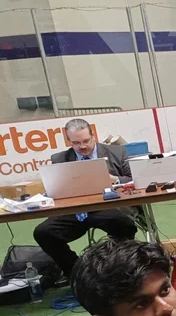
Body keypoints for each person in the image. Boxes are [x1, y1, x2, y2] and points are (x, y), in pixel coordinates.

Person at [33, 118, 136, 282]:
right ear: (69, 141)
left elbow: (133, 179)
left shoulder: (117, 152)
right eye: (76, 143)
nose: (82, 146)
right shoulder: (59, 159)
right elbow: (54, 189)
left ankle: (119, 269)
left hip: (108, 206)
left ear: (93, 136)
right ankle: (77, 273)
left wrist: (115, 179)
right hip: (73, 212)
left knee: (125, 224)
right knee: (43, 233)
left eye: (86, 141)